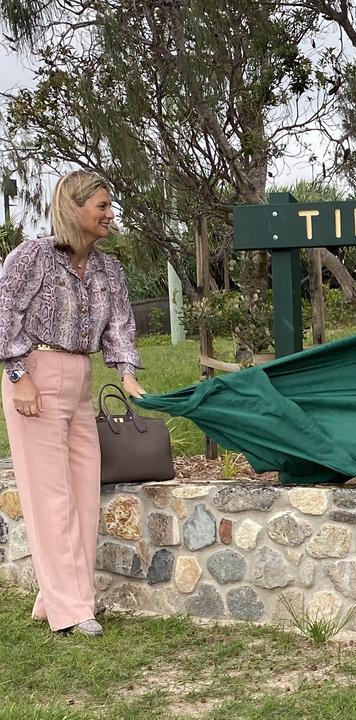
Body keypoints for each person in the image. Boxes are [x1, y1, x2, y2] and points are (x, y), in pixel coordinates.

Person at [0, 170, 144, 636]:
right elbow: (4, 314)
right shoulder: (33, 256)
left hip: (79, 379)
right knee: (50, 497)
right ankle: (72, 609)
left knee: (83, 493)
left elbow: (119, 325)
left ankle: (59, 596)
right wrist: (19, 377)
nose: (109, 214)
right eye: (101, 206)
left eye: (109, 205)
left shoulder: (109, 269)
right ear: (74, 208)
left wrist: (126, 373)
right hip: (36, 377)